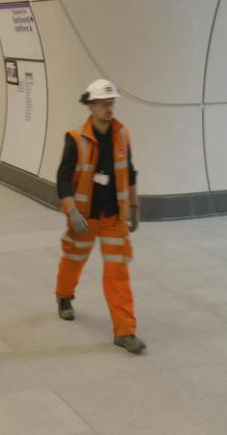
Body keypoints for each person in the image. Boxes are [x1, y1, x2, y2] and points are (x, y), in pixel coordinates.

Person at [55, 79, 145, 354]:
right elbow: (63, 178)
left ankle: (125, 331)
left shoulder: (122, 134)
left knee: (118, 273)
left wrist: (133, 205)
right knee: (73, 259)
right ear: (91, 106)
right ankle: (64, 296)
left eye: (112, 103)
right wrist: (71, 210)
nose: (110, 108)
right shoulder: (75, 138)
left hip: (113, 218)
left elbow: (128, 171)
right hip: (84, 217)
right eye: (104, 104)